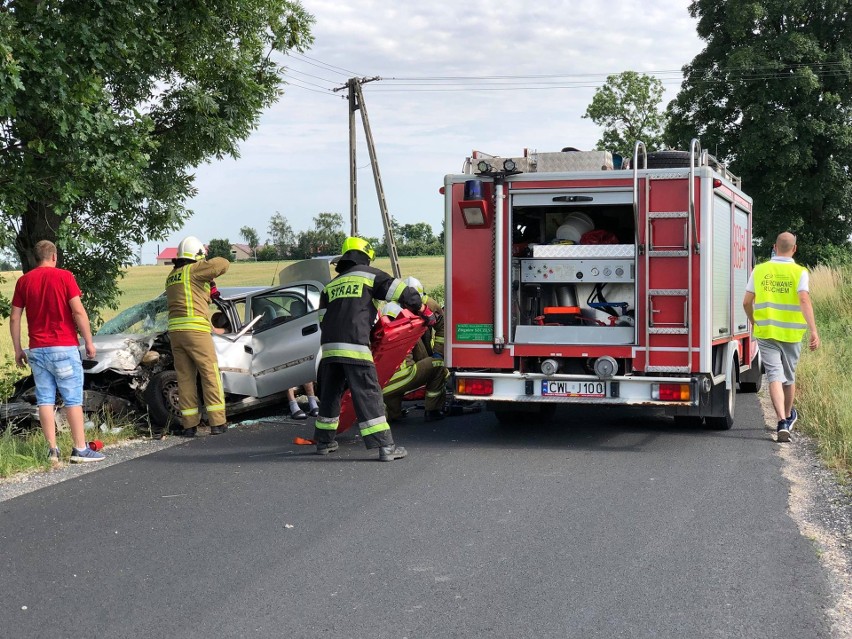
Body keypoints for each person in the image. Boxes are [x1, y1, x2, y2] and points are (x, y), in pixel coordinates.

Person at [312, 236, 434, 461]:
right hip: (355, 346)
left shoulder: (330, 286)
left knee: (330, 395)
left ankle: (324, 442)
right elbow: (404, 294)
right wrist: (424, 310)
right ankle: (385, 447)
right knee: (368, 393)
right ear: (366, 256)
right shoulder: (371, 276)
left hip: (329, 348)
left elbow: (323, 320)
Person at [9, 240, 104, 464]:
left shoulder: (24, 281)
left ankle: (52, 451)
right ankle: (80, 449)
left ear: (35, 258)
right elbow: (78, 312)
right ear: (54, 256)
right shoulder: (64, 277)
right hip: (63, 347)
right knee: (72, 399)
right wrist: (89, 341)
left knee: (45, 400)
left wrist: (17, 349)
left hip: (38, 349)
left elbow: (15, 317)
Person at [743, 232, 820, 442]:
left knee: (774, 375)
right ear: (794, 249)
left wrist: (753, 320)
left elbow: (746, 302)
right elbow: (804, 300)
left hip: (766, 331)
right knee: (789, 375)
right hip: (792, 333)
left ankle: (781, 421)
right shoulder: (800, 272)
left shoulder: (759, 270)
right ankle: (787, 416)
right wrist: (814, 330)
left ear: (774, 247)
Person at [165, 236, 230, 438]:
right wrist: (205, 261)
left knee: (185, 378)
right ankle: (218, 422)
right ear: (197, 256)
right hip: (196, 332)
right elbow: (223, 264)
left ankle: (189, 426)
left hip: (176, 334)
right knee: (210, 374)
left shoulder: (172, 275)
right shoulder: (195, 270)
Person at [380, 302, 449, 423]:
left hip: (382, 386)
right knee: (438, 364)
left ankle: (391, 412)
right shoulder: (407, 330)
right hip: (404, 376)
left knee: (393, 415)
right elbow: (422, 356)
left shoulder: (376, 333)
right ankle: (433, 411)